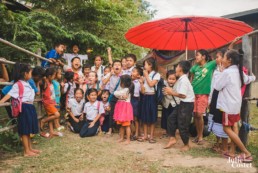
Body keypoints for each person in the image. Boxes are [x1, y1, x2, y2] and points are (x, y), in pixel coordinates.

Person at [214, 49, 255, 162]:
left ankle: (246, 153)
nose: (222, 59)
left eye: (224, 57)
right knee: (233, 126)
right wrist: (253, 77)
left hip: (228, 105)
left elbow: (217, 86)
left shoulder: (227, 72)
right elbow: (248, 79)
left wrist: (221, 72)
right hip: (236, 104)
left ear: (229, 60)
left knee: (226, 128)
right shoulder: (238, 70)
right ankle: (232, 152)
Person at [0, 63, 41, 157]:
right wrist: (1, 101)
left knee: (29, 129)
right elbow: (9, 95)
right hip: (24, 108)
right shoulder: (18, 84)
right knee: (25, 130)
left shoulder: (27, 83)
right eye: (30, 72)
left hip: (30, 107)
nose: (31, 75)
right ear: (25, 74)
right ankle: (26, 151)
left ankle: (30, 148)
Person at [164, 61, 195, 151]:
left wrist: (171, 92)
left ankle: (186, 144)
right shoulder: (181, 79)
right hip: (182, 104)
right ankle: (172, 138)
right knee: (171, 118)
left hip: (187, 104)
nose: (176, 68)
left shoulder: (184, 80)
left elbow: (183, 95)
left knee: (182, 124)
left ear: (180, 69)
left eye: (177, 66)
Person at [190, 49, 217, 145]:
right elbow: (192, 77)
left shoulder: (210, 65)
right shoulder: (194, 67)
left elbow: (221, 59)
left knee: (199, 115)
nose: (196, 57)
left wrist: (231, 45)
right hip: (194, 94)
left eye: (197, 55)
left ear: (204, 56)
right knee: (195, 115)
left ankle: (201, 136)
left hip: (203, 94)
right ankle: (198, 135)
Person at [138, 58, 160, 143]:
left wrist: (146, 76)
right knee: (144, 116)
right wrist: (141, 83)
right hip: (145, 97)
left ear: (150, 65)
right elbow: (143, 91)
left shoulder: (156, 75)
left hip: (152, 97)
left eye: (145, 64)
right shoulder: (145, 75)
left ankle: (151, 136)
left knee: (152, 117)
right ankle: (145, 135)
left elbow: (151, 84)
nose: (144, 66)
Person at [113, 75, 134, 144]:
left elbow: (116, 93)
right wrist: (120, 95)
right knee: (121, 125)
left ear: (124, 83)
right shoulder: (123, 89)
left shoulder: (127, 90)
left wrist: (119, 95)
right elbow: (116, 93)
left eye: (121, 82)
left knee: (127, 125)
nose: (120, 83)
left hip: (125, 108)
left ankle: (128, 139)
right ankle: (121, 138)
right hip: (121, 107)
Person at [40, 67, 61, 138]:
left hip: (52, 102)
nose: (54, 77)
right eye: (53, 75)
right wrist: (45, 78)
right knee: (57, 115)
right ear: (49, 76)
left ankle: (51, 132)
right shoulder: (46, 82)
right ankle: (43, 120)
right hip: (48, 103)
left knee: (51, 117)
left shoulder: (51, 82)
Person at [104, 60, 122, 135]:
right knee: (112, 113)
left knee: (120, 113)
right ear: (112, 67)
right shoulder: (110, 75)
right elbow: (104, 82)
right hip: (112, 96)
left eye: (119, 65)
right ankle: (110, 129)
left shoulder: (123, 76)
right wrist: (110, 75)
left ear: (121, 67)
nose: (117, 66)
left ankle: (120, 129)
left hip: (121, 97)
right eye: (115, 65)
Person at [161, 70, 179, 138]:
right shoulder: (164, 84)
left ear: (176, 79)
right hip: (166, 104)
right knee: (166, 117)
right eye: (170, 79)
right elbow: (163, 91)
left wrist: (171, 92)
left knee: (173, 119)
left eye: (173, 79)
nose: (171, 80)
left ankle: (172, 133)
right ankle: (166, 132)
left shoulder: (178, 85)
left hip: (174, 104)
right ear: (167, 79)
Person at [130, 66, 143, 140]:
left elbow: (141, 91)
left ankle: (137, 133)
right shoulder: (129, 81)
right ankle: (132, 132)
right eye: (132, 71)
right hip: (130, 99)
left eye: (134, 71)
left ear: (138, 75)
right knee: (130, 117)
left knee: (136, 118)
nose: (132, 73)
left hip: (136, 100)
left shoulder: (139, 82)